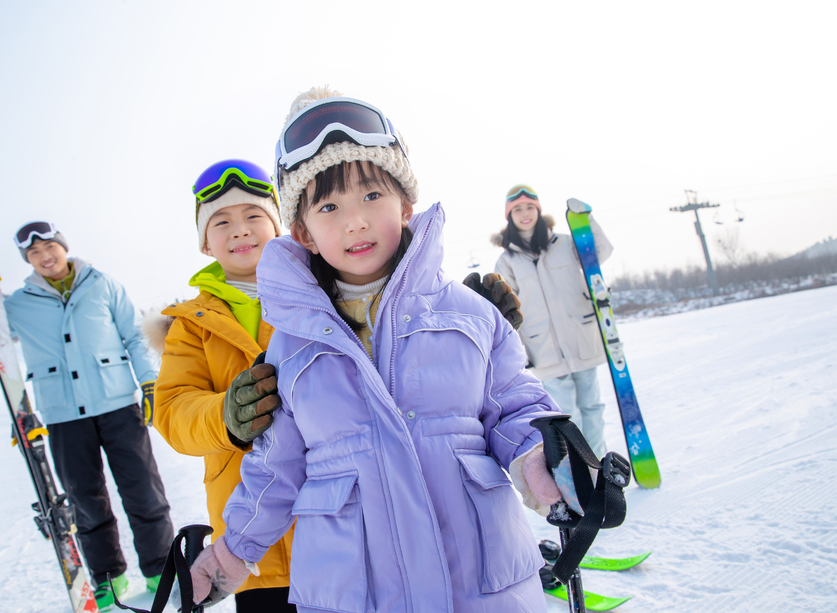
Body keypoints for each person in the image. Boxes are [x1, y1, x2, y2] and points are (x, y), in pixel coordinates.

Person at [189, 87, 566, 612]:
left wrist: (549, 464)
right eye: (329, 206)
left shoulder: (470, 314)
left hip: (482, 590)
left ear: (406, 206)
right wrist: (230, 553)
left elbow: (516, 408)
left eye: (371, 195)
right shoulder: (292, 351)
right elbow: (273, 471)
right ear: (304, 234)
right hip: (357, 596)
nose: (355, 221)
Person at [0, 223, 175, 611]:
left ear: (64, 248)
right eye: (35, 253)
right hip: (63, 416)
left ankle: (160, 570)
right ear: (28, 261)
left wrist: (150, 384)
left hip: (118, 405)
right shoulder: (19, 303)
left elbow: (134, 336)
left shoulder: (102, 284)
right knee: (85, 503)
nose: (45, 256)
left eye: (50, 246)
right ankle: (108, 582)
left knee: (144, 493)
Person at [144, 159, 296, 612]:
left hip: (341, 529)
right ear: (205, 244)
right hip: (250, 550)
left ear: (277, 227)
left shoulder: (320, 292)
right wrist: (224, 417)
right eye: (222, 221)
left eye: (253, 216)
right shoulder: (191, 325)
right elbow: (173, 410)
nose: (240, 230)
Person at [493, 186, 614, 458]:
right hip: (542, 348)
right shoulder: (507, 261)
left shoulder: (565, 244)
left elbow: (600, 252)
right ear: (509, 216)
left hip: (581, 338)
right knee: (566, 416)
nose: (525, 214)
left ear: (539, 210)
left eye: (530, 208)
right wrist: (518, 353)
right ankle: (585, 471)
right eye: (518, 210)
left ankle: (600, 468)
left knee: (593, 406)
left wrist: (586, 219)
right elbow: (505, 314)